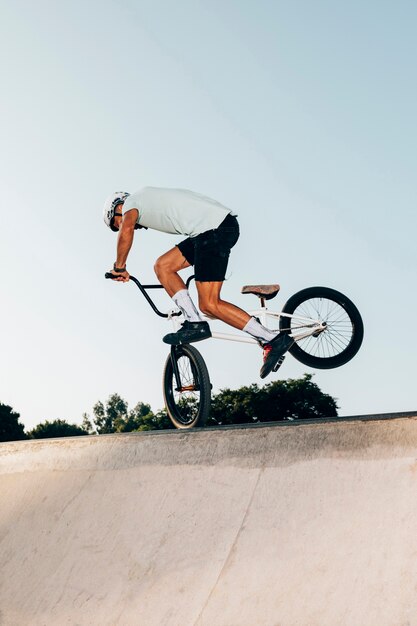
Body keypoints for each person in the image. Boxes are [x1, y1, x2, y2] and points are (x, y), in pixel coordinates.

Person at [103, 187, 293, 378]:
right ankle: (194, 321)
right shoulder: (145, 199)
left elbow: (126, 230)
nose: (120, 226)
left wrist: (119, 267)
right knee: (163, 266)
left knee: (209, 304)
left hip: (213, 230)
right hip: (207, 231)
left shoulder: (131, 203)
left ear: (117, 207)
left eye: (115, 223)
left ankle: (273, 338)